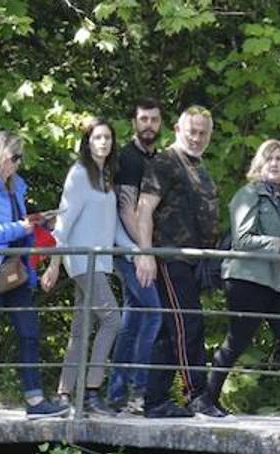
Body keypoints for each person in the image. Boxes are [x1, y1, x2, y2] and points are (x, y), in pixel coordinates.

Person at [198, 139, 280, 420]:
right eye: (269, 158)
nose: (275, 163)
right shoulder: (249, 194)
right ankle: (206, 399)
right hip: (248, 279)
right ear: (260, 164)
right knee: (238, 340)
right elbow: (243, 241)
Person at [0, 131, 69, 420]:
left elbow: (19, 226)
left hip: (17, 270)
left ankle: (35, 401)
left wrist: (38, 222)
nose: (18, 164)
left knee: (30, 333)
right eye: (14, 157)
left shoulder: (17, 187)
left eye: (20, 158)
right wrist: (21, 227)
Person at [134, 105, 225, 418]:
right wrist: (145, 254)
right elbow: (144, 209)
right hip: (169, 257)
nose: (197, 138)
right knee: (188, 323)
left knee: (170, 329)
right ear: (177, 129)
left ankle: (155, 399)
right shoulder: (165, 162)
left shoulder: (198, 167)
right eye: (192, 131)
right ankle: (196, 394)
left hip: (193, 262)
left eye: (203, 133)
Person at [42, 117, 134, 415]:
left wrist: (137, 251)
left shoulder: (106, 176)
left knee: (81, 329)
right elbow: (64, 223)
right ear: (88, 142)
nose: (103, 143)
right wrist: (54, 265)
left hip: (101, 262)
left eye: (107, 138)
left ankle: (65, 394)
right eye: (97, 138)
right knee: (112, 320)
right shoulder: (79, 174)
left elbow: (113, 225)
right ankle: (92, 390)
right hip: (82, 261)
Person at [107, 99, 165, 414]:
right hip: (131, 251)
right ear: (134, 123)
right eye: (143, 119)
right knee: (154, 313)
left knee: (133, 319)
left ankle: (116, 394)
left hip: (139, 250)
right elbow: (126, 208)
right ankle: (137, 393)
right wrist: (143, 252)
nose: (149, 125)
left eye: (154, 120)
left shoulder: (155, 158)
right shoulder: (129, 159)